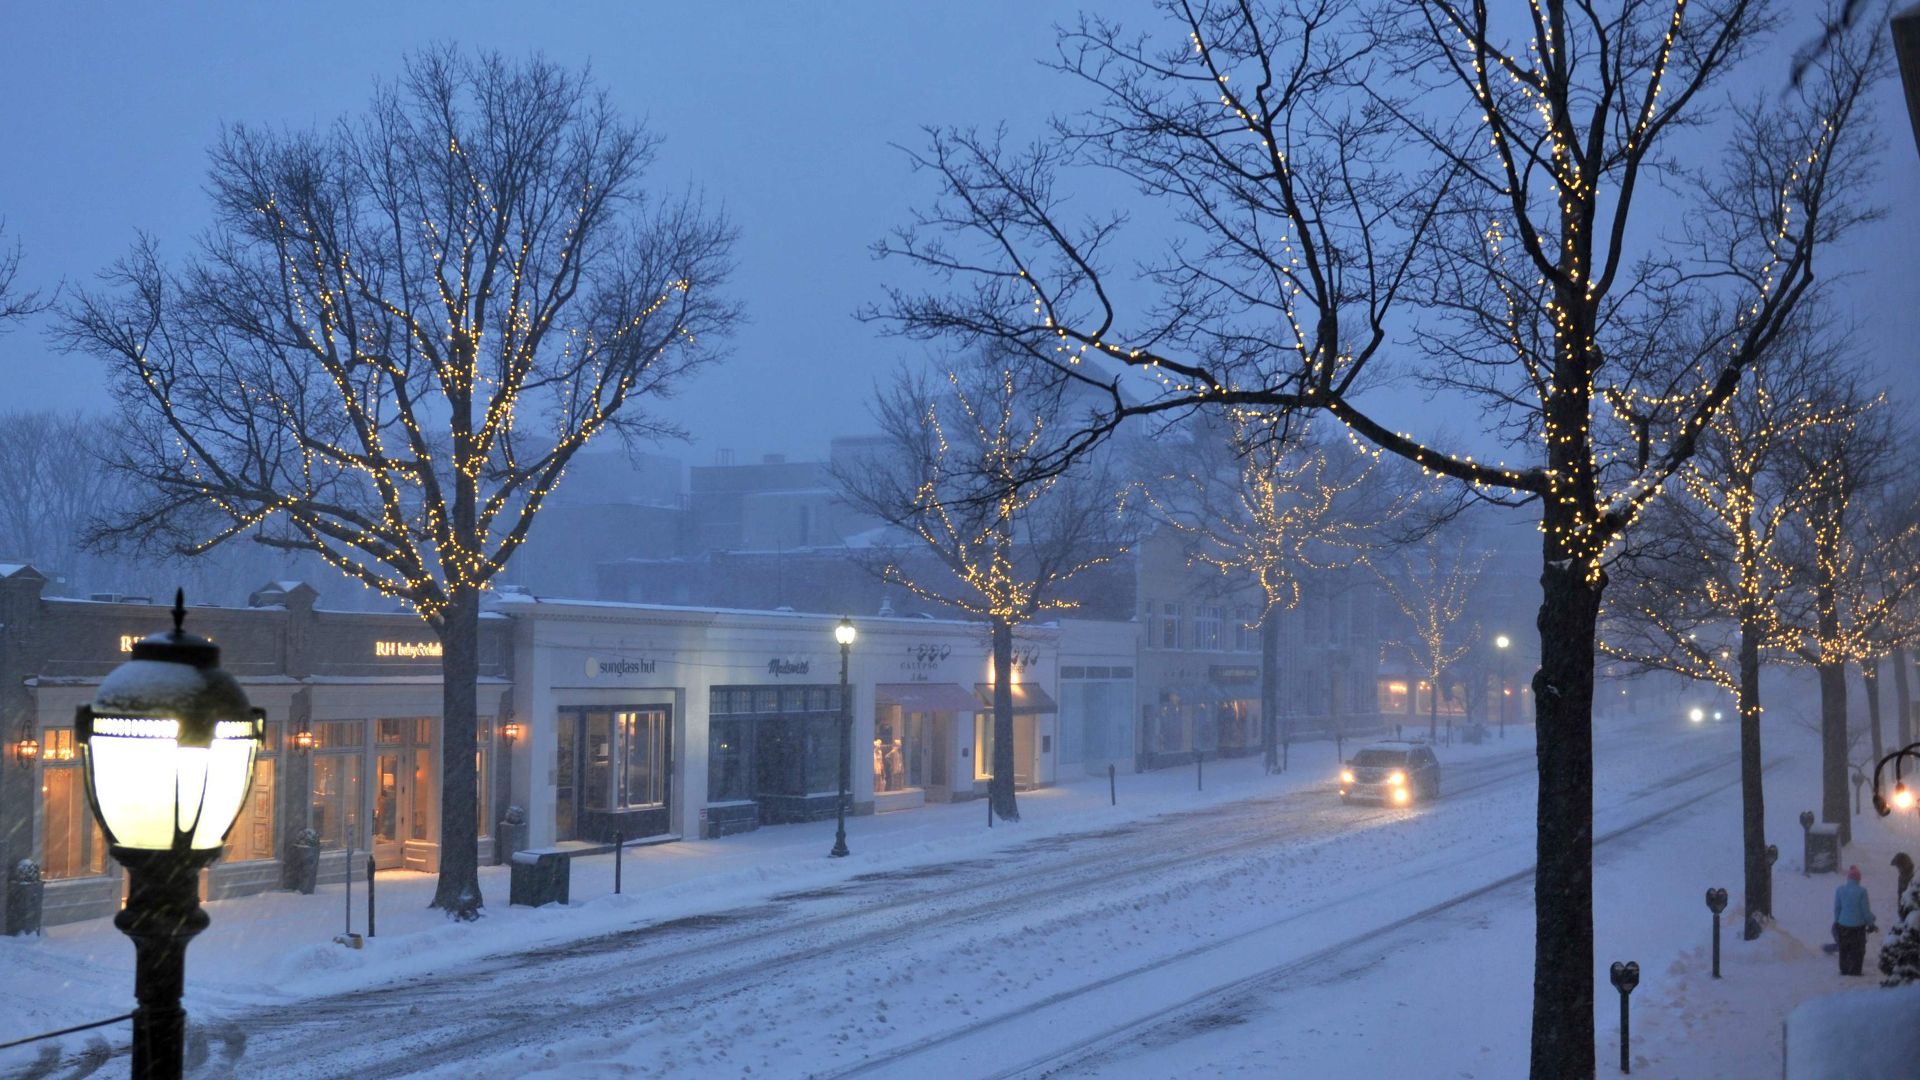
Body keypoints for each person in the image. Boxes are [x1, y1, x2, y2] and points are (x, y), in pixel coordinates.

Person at [1833, 865, 1878, 976]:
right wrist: (1871, 924)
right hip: (1858, 927)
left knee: (1844, 949)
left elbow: (1837, 908)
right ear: (1858, 879)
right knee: (1857, 950)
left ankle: (1844, 969)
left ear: (1848, 878)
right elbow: (1865, 911)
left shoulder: (1840, 890)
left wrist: (1836, 921)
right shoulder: (1862, 891)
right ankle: (1855, 971)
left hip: (1843, 924)